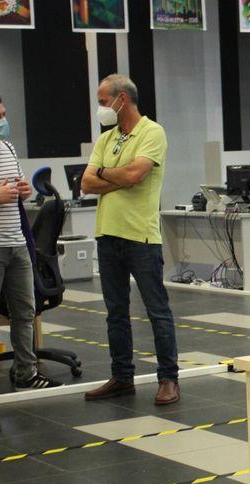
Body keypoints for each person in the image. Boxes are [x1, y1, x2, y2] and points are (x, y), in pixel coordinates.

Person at [79, 74, 180, 404]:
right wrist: (117, 178)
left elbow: (137, 175)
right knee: (115, 311)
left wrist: (106, 174)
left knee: (157, 310)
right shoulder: (106, 139)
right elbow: (85, 183)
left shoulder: (152, 132)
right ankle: (122, 376)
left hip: (141, 236)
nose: (100, 108)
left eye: (103, 100)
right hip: (107, 234)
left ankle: (168, 378)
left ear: (122, 99)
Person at [0, 92, 62, 394]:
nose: (3, 121)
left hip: (17, 241)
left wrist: (23, 190)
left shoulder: (7, 148)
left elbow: (16, 189)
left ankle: (26, 372)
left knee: (25, 312)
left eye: (3, 114)